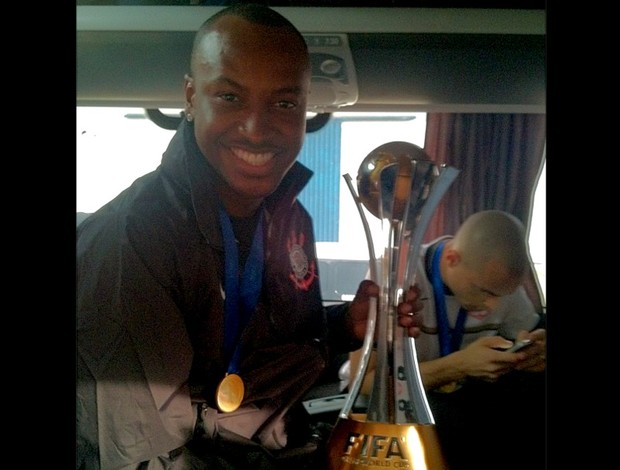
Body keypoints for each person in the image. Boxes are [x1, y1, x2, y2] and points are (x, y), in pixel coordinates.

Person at [76, 4, 423, 470]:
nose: (258, 130)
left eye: (283, 104)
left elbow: (274, 354)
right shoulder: (131, 241)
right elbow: (144, 452)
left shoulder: (290, 217)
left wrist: (345, 327)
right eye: (230, 98)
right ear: (190, 96)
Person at [348, 209, 546, 470]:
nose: (493, 305)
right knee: (451, 422)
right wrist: (459, 365)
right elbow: (364, 382)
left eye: (503, 294)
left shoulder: (496, 280)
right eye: (485, 291)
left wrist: (535, 351)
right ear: (451, 258)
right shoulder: (398, 276)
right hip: (396, 401)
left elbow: (526, 334)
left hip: (465, 396)